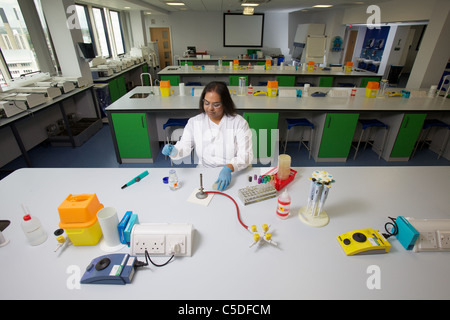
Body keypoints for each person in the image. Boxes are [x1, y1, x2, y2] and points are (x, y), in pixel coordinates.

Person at [162, 81, 253, 191]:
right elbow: (185, 145)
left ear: (225, 103)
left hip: (234, 173)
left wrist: (229, 168)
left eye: (216, 104)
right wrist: (174, 150)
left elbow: (246, 155)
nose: (210, 108)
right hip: (205, 171)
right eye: (206, 103)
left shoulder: (239, 123)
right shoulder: (195, 122)